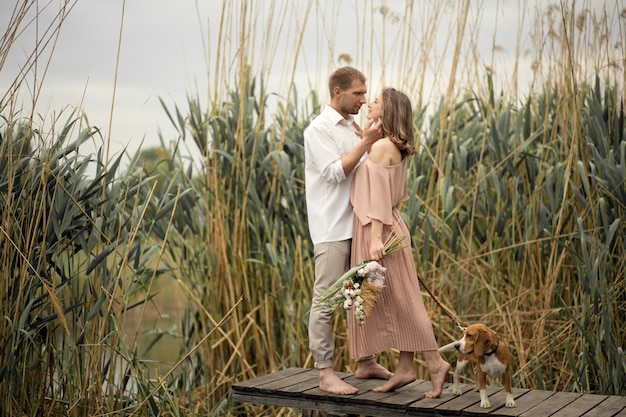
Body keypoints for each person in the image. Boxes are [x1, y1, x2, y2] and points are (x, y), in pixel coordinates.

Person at [347, 87, 450, 397]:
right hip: (389, 225)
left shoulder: (381, 149)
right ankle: (405, 369)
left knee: (404, 301)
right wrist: (365, 137)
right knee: (397, 299)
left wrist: (376, 239)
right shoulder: (390, 145)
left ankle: (434, 362)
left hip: (379, 231)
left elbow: (377, 197)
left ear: (388, 110)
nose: (369, 103)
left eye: (375, 101)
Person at [304, 66, 393, 395]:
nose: (363, 98)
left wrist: (371, 138)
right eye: (357, 93)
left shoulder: (354, 126)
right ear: (338, 92)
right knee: (325, 300)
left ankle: (365, 361)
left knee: (365, 293)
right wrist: (367, 141)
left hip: (360, 225)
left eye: (364, 92)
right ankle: (325, 373)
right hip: (332, 229)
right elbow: (333, 173)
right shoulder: (318, 129)